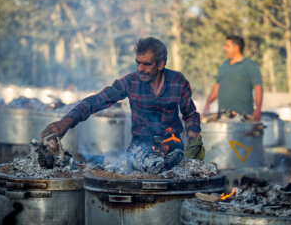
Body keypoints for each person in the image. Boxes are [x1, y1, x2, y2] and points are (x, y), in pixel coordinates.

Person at [41, 37, 202, 174]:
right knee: (152, 166)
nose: (140, 69)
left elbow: (190, 114)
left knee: (179, 168)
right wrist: (66, 122)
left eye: (146, 64)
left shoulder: (178, 81)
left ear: (160, 64)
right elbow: (95, 101)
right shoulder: (130, 82)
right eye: (138, 63)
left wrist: (193, 130)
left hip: (172, 145)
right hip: (141, 146)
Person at [204, 35, 263, 121]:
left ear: (236, 48)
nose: (224, 48)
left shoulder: (250, 65)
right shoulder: (224, 65)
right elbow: (217, 86)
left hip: (243, 117)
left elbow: (258, 88)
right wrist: (207, 103)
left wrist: (258, 110)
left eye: (227, 46)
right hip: (223, 117)